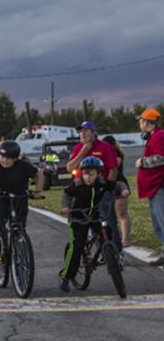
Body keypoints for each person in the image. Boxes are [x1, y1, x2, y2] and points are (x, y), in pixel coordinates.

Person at [59, 156, 129, 291]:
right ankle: (66, 277)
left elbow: (118, 184)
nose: (88, 177)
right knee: (77, 248)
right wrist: (65, 207)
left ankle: (109, 256)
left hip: (94, 217)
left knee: (107, 232)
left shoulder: (102, 183)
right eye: (85, 174)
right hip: (77, 219)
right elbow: (66, 195)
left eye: (91, 174)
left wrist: (123, 190)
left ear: (98, 174)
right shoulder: (77, 184)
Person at [0, 140, 45, 266]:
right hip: (2, 201)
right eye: (2, 157)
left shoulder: (23, 166)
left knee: (19, 230)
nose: (4, 160)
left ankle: (19, 253)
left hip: (20, 201)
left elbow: (39, 174)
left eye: (9, 158)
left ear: (15, 158)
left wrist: (38, 191)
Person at [66, 121, 122, 253]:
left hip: (100, 190)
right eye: (80, 131)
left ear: (94, 133)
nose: (82, 134)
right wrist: (83, 151)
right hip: (81, 192)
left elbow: (113, 169)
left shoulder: (105, 147)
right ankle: (101, 251)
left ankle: (116, 252)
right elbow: (70, 167)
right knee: (87, 222)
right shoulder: (79, 147)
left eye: (86, 131)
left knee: (107, 221)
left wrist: (109, 188)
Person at [135, 108, 164, 266]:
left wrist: (143, 162)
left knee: (161, 221)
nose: (140, 124)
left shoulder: (159, 136)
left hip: (159, 186)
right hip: (155, 187)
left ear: (146, 122)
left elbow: (161, 157)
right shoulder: (155, 136)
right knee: (158, 222)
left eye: (141, 121)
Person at [100, 135, 132, 246]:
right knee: (108, 214)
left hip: (119, 184)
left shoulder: (117, 154)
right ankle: (113, 237)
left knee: (122, 213)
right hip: (107, 185)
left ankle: (126, 239)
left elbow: (114, 164)